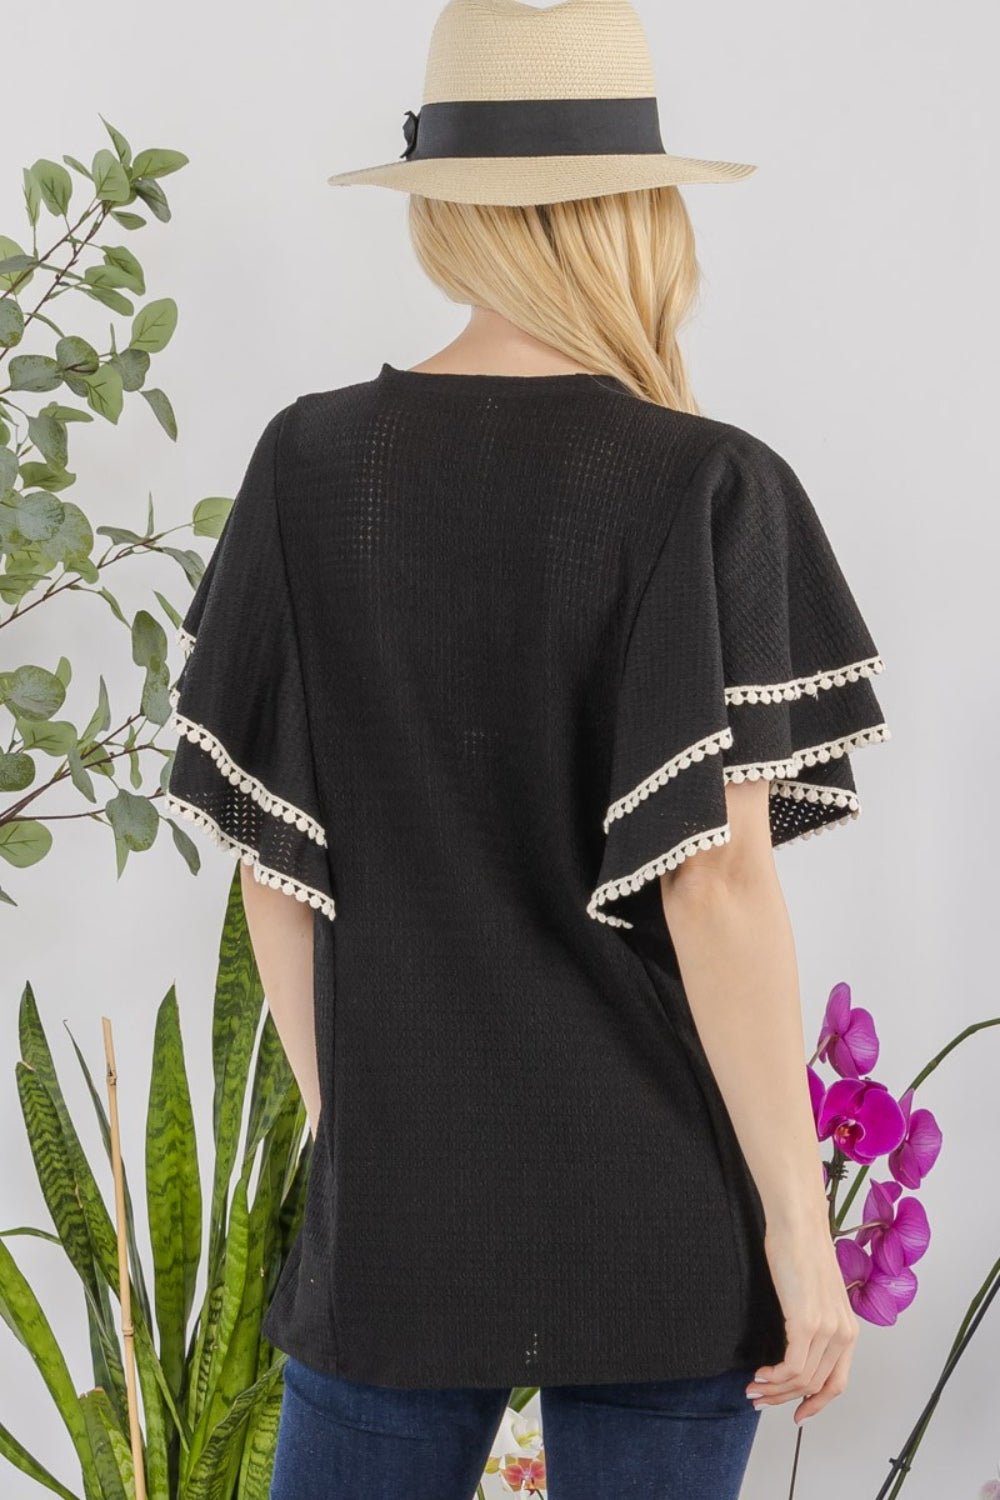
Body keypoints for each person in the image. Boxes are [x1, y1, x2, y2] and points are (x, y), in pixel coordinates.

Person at [165, 1, 891, 1496]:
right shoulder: (708, 483)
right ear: (640, 215)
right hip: (661, 1207)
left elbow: (272, 877)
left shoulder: (306, 466)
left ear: (444, 209)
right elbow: (716, 886)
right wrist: (798, 1233)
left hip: (400, 1216)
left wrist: (366, 1145)